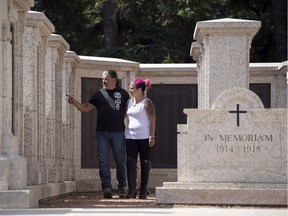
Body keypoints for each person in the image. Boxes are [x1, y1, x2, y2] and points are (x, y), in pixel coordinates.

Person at [66, 70, 130, 199]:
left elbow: (127, 111)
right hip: (102, 133)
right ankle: (107, 187)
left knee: (120, 161)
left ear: (114, 79)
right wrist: (74, 102)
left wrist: (119, 121)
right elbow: (85, 108)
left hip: (118, 132)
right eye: (102, 79)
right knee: (103, 161)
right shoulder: (98, 94)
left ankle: (122, 187)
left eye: (105, 79)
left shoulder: (123, 94)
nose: (103, 81)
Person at [125, 78, 156, 199]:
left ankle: (143, 190)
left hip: (144, 137)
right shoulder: (129, 102)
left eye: (132, 88)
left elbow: (153, 120)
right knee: (131, 163)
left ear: (139, 90)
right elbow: (124, 117)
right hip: (131, 137)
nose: (130, 89)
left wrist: (151, 136)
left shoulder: (147, 102)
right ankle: (131, 190)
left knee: (145, 162)